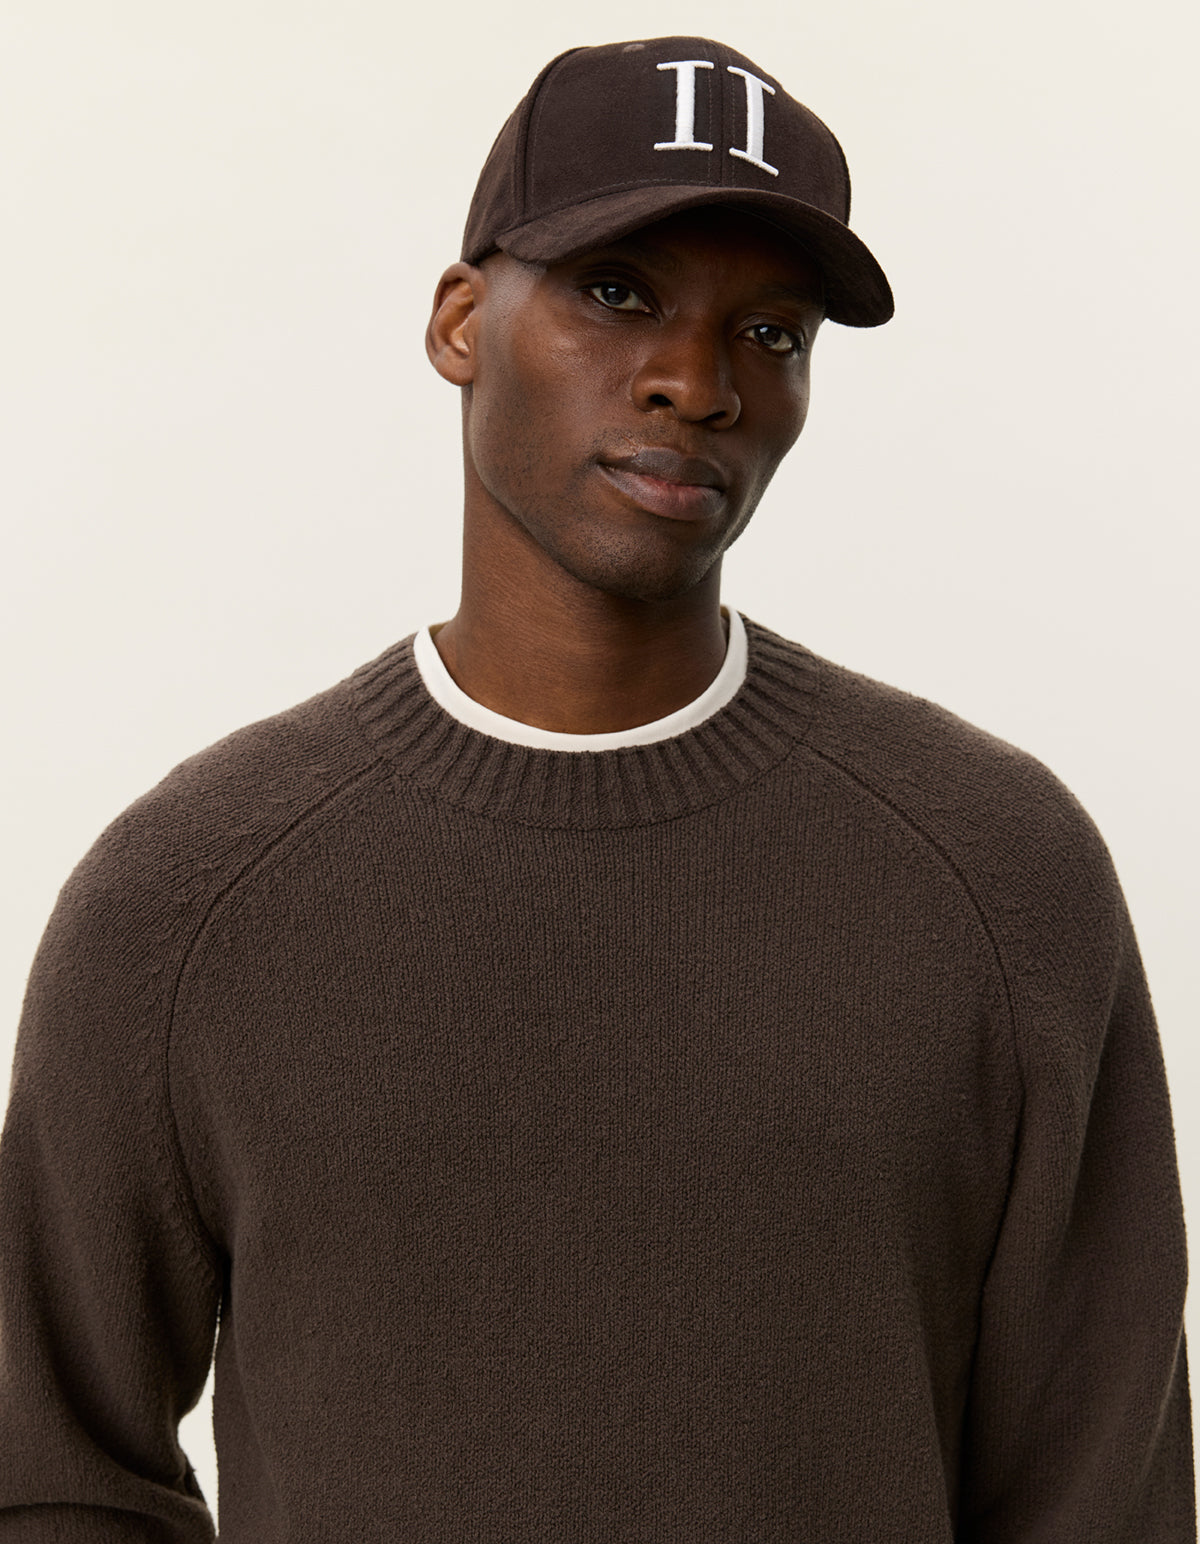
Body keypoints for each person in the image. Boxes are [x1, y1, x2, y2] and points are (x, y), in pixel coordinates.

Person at [0, 33, 1191, 1541]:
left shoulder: (1000, 874)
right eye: (617, 294)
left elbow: (1104, 1501)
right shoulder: (187, 897)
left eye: (771, 332)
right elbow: (49, 1473)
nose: (697, 383)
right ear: (460, 321)